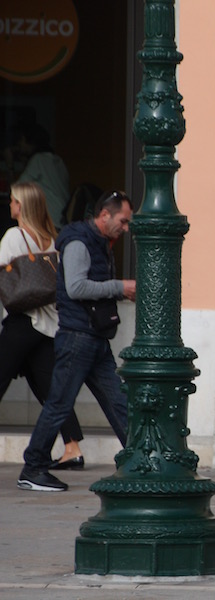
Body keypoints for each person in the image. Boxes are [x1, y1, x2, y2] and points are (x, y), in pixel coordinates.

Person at [17, 190, 136, 492]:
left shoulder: (99, 242)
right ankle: (33, 467)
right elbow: (77, 287)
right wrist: (120, 287)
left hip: (94, 337)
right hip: (77, 337)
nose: (126, 228)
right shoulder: (79, 242)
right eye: (123, 221)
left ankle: (139, 459)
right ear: (104, 215)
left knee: (119, 400)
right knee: (59, 403)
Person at [0, 182, 86, 469]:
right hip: (48, 326)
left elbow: (3, 279)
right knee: (52, 389)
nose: (10, 205)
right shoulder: (53, 240)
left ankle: (69, 448)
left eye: (13, 200)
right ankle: (72, 447)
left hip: (22, 321)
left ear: (21, 205)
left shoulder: (14, 236)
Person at [10, 122, 69, 230]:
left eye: (20, 141)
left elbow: (17, 191)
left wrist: (10, 165)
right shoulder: (57, 160)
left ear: (27, 140)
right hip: (61, 220)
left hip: (49, 221)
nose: (18, 145)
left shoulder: (38, 160)